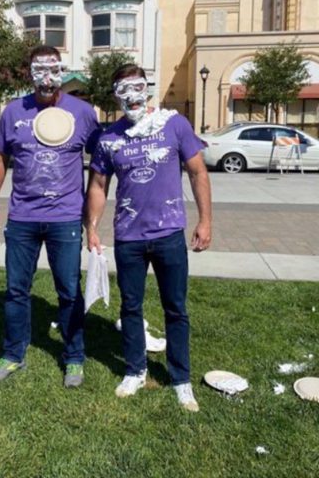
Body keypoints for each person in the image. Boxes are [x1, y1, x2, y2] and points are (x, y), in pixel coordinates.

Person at [85, 63, 212, 410]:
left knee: (176, 308)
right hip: (129, 237)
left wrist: (205, 221)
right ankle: (135, 369)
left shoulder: (174, 125)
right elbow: (97, 185)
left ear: (148, 89)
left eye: (136, 88)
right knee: (131, 306)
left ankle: (181, 378)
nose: (131, 97)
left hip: (170, 232)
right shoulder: (109, 137)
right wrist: (91, 227)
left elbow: (198, 171)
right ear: (115, 97)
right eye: (123, 91)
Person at [0, 45, 101, 388]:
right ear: (30, 73)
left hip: (65, 217)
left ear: (63, 71)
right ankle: (12, 354)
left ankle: (74, 357)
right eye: (40, 70)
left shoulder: (82, 112)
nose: (47, 78)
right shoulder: (12, 112)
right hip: (22, 217)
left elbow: (100, 165)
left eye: (53, 70)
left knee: (68, 290)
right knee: (16, 290)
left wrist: (91, 219)